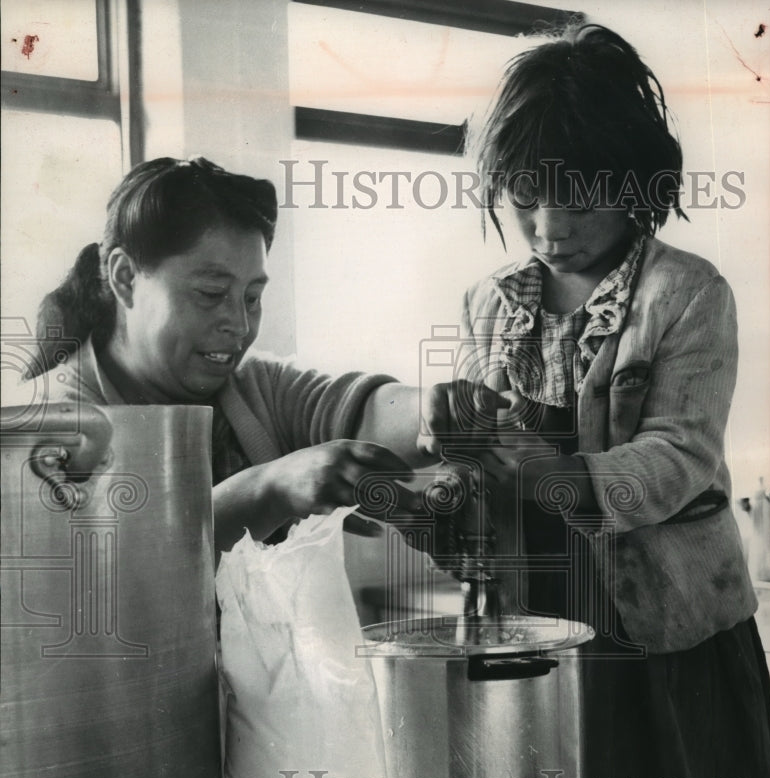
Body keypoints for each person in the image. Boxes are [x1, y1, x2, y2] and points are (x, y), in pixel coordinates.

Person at [458, 23, 770, 778]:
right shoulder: (489, 304)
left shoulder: (686, 295)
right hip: (534, 639)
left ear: (636, 182)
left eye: (578, 191)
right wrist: (457, 454)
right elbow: (478, 471)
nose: (548, 221)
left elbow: (677, 458)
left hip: (662, 649)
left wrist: (537, 469)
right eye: (526, 194)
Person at [15, 156, 508, 552]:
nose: (240, 323)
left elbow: (353, 408)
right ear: (125, 278)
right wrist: (266, 490)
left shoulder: (252, 392)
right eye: (210, 294)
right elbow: (108, 574)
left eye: (252, 297)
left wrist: (434, 410)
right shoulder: (40, 429)